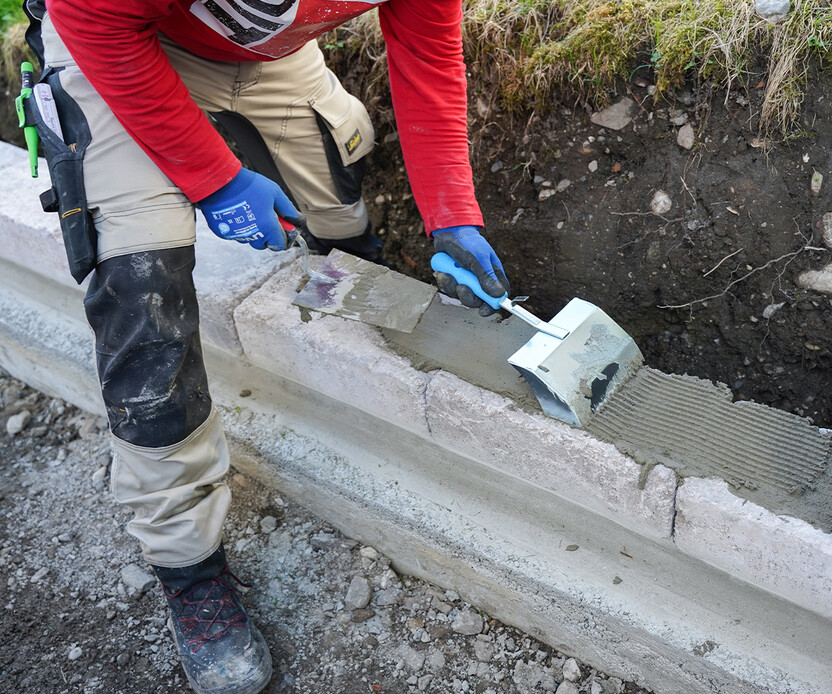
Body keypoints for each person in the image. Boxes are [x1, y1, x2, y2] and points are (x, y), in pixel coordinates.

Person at [22, 1, 510, 692]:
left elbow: (427, 55)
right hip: (118, 44)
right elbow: (97, 19)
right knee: (145, 292)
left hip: (264, 52)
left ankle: (349, 307)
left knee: (340, 208)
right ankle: (188, 568)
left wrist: (453, 213)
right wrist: (213, 178)